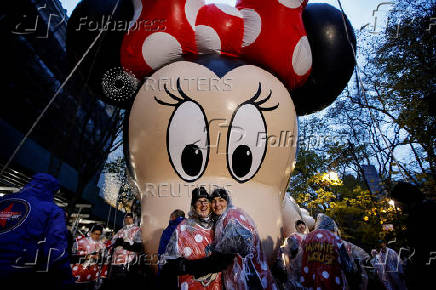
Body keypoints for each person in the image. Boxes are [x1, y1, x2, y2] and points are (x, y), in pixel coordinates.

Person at [0, 173, 74, 289]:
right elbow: (55, 250)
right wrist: (67, 281)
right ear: (52, 191)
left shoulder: (3, 200)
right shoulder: (52, 210)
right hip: (15, 274)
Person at [160, 187, 229, 289]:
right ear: (193, 206)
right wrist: (183, 266)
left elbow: (225, 260)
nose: (203, 205)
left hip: (215, 286)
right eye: (198, 202)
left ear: (210, 204)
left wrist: (191, 266)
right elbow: (168, 264)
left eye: (205, 201)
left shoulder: (218, 226)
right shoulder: (182, 228)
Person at [390, 182, 436, 289]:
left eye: (397, 203)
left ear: (404, 199)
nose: (398, 207)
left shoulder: (419, 215)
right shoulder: (428, 207)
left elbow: (422, 246)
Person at [300, 213, 355, 290]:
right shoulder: (335, 239)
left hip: (309, 285)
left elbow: (299, 260)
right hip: (332, 284)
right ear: (332, 226)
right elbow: (348, 267)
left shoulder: (306, 238)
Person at [107, 213, 143, 288]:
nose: (127, 219)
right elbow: (112, 243)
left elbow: (138, 246)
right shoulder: (120, 230)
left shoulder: (137, 230)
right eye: (126, 217)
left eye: (130, 217)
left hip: (127, 262)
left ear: (134, 219)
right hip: (115, 262)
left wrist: (124, 244)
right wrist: (115, 243)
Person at [277, 219, 308, 289]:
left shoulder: (308, 236)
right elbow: (286, 253)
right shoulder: (293, 237)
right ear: (296, 227)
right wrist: (288, 270)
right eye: (299, 224)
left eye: (302, 224)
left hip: (305, 267)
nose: (301, 226)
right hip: (295, 269)